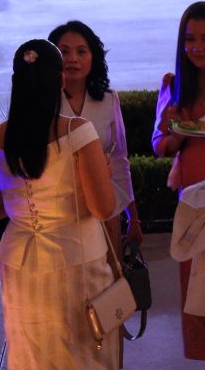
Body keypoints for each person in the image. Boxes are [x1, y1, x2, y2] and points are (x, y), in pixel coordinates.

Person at [0, 39, 119, 370]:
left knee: (33, 359)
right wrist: (102, 174)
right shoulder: (78, 132)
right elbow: (102, 207)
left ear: (16, 81)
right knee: (84, 358)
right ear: (59, 81)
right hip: (78, 261)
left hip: (20, 263)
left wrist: (21, 203)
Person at [152, 1, 205, 360]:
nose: (197, 47)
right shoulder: (175, 86)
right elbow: (160, 144)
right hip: (192, 205)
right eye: (190, 39)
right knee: (197, 287)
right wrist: (177, 135)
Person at [48, 20, 141, 248]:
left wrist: (133, 217)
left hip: (103, 207)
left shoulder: (108, 100)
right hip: (58, 212)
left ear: (93, 57)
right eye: (64, 51)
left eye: (81, 51)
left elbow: (120, 159)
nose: (72, 59)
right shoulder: (44, 103)